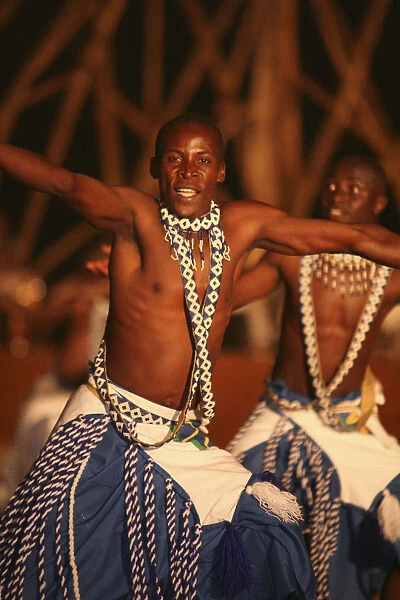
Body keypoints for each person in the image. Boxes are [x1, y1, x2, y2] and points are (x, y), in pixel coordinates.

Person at [1, 119, 400, 599]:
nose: (187, 171)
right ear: (155, 168)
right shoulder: (134, 218)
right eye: (174, 159)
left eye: (202, 160)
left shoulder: (243, 225)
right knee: (64, 562)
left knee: (263, 528)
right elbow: (61, 182)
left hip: (177, 435)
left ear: (221, 171)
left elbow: (356, 239)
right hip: (106, 425)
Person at [228, 155, 400, 600]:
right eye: (333, 185)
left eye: (353, 190)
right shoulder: (293, 256)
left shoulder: (391, 272)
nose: (338, 195)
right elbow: (227, 296)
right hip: (282, 414)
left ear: (378, 203)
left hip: (349, 423)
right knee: (230, 510)